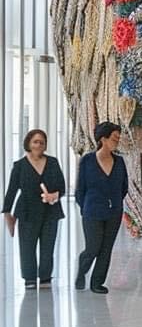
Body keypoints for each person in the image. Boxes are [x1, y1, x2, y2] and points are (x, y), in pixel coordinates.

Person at [2, 129, 66, 289]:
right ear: (29, 144)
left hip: (50, 212)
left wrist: (54, 195)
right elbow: (11, 190)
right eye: (35, 142)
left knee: (48, 246)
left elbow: (62, 187)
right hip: (27, 212)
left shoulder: (53, 162)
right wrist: (7, 212)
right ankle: (29, 278)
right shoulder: (19, 166)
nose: (38, 145)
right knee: (27, 246)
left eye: (42, 142)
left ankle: (45, 277)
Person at [74, 122, 129, 294]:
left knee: (106, 249)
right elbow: (80, 189)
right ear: (103, 139)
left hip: (114, 213)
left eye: (118, 138)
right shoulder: (87, 161)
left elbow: (124, 187)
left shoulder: (119, 162)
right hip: (92, 212)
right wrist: (85, 208)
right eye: (114, 138)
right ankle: (82, 269)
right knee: (93, 247)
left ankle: (97, 282)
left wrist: (115, 203)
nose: (117, 141)